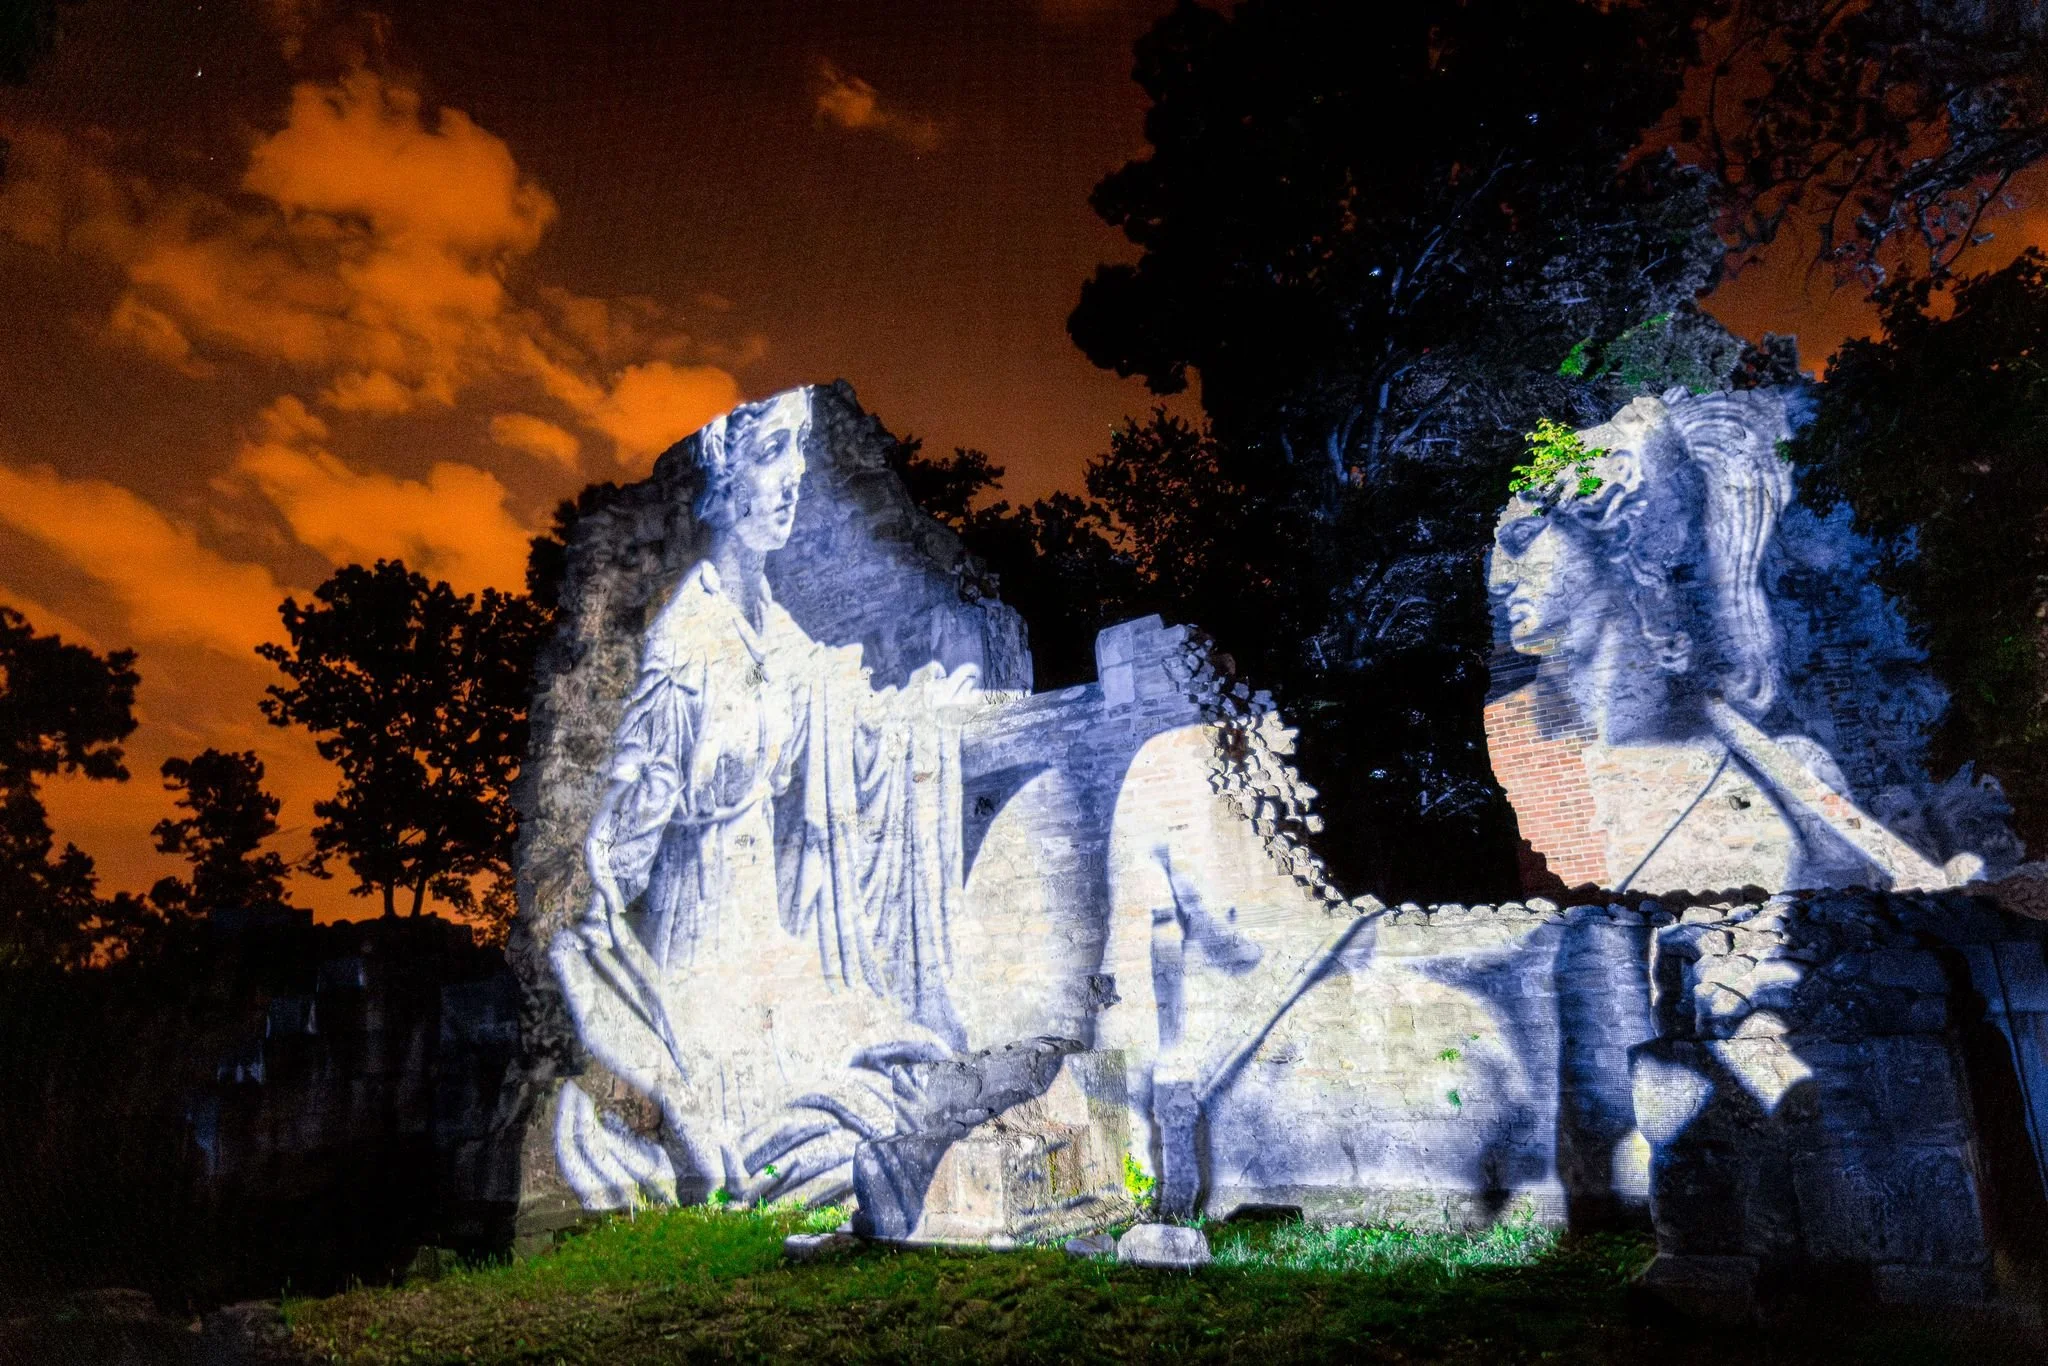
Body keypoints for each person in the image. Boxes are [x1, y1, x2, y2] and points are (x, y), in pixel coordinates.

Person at [550, 389, 980, 1210]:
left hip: (775, 944)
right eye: (770, 455)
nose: (792, 480)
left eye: (798, 456)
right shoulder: (685, 646)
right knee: (831, 1115)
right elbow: (619, 854)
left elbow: (836, 703)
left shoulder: (767, 620)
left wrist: (923, 714)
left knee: (894, 1065)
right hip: (707, 956)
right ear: (723, 476)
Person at [1488, 389, 1954, 892]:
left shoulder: (1754, 784)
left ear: (1618, 535)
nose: (1497, 577)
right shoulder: (1514, 739)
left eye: (1521, 537)